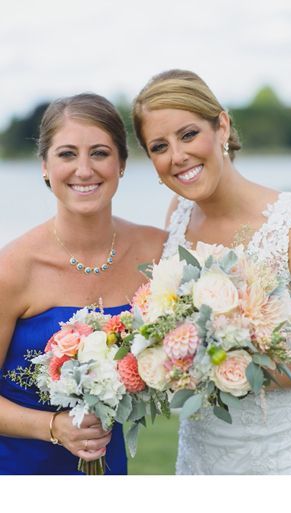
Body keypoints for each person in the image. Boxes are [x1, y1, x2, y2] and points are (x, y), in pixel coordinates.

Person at [132, 69, 291, 474]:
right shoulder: (177, 216)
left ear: (222, 126)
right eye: (159, 146)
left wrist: (236, 366)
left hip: (282, 459)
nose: (177, 156)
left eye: (188, 134)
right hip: (200, 456)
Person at [0, 93, 166, 474]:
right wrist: (54, 427)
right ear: (44, 166)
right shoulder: (13, 268)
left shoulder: (157, 251)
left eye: (100, 153)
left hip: (108, 465)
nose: (84, 169)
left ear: (122, 164)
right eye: (67, 154)